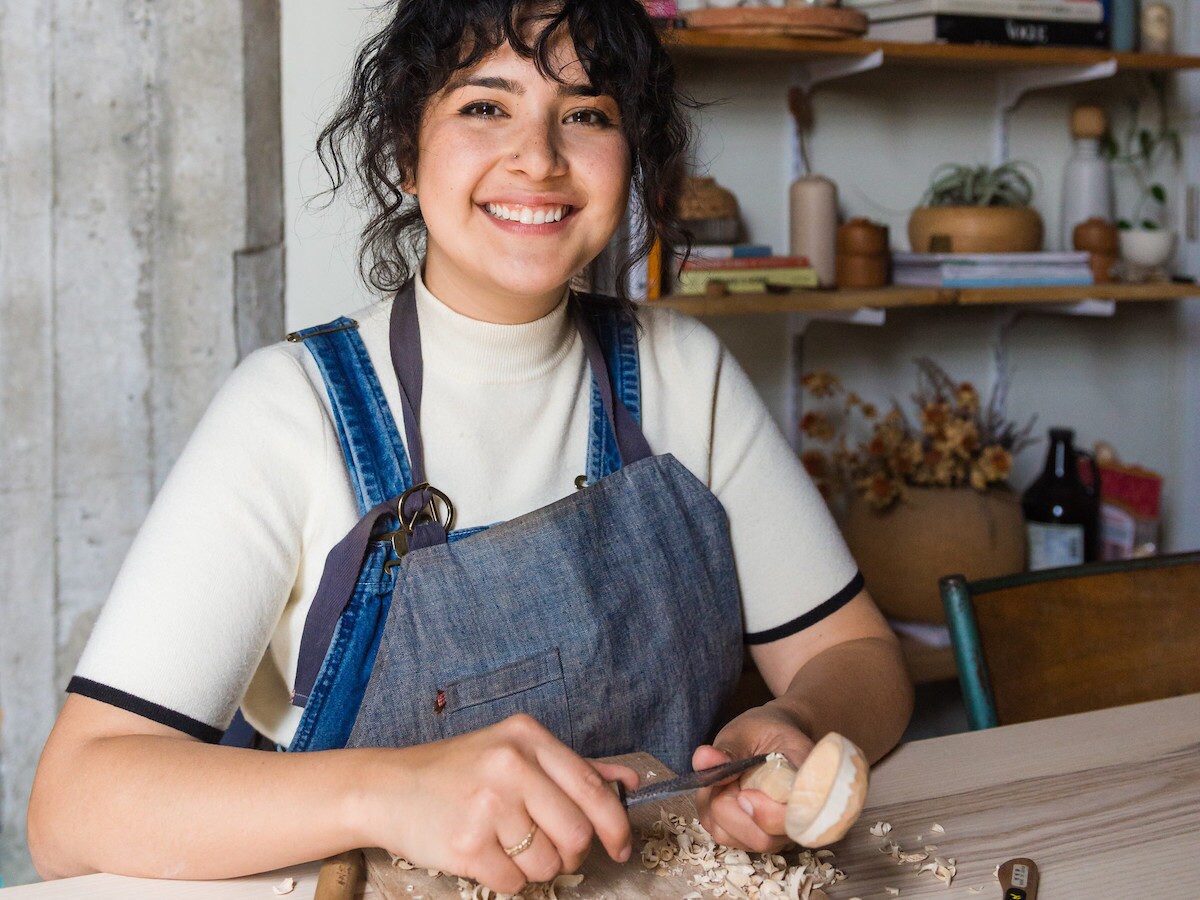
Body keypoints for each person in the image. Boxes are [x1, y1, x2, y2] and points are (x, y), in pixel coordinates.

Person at [27, 0, 913, 892]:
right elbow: (72, 806)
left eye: (586, 114)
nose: (539, 157)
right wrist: (391, 791)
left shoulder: (684, 371)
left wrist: (793, 724)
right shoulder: (293, 409)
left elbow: (859, 658)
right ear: (404, 157)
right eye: (485, 106)